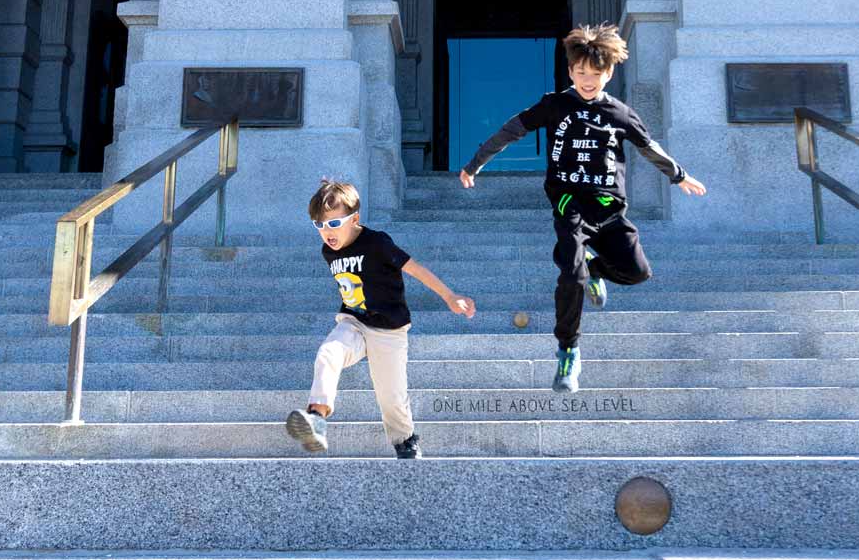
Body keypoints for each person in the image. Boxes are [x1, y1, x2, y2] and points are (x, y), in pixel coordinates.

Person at [459, 23, 707, 392]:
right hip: (569, 201)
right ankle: (568, 352)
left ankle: (595, 267)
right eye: (579, 73)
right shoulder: (555, 104)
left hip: (608, 205)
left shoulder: (621, 113)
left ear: (608, 73)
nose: (586, 80)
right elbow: (511, 130)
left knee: (637, 272)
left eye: (595, 74)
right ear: (570, 71)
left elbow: (648, 147)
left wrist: (679, 175)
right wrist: (476, 163)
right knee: (570, 276)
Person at [286, 179, 476, 457]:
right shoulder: (329, 251)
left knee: (392, 397)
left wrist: (449, 296)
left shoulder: (378, 243)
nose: (327, 232)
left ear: (355, 219)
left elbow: (416, 269)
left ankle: (405, 442)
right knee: (329, 353)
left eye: (334, 224)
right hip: (354, 322)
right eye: (320, 225)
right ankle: (316, 419)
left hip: (389, 329)